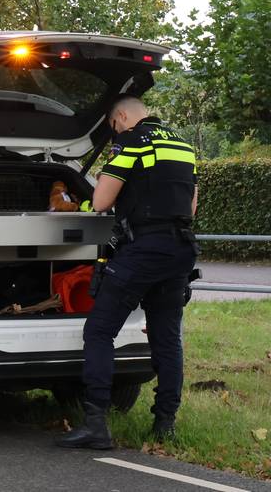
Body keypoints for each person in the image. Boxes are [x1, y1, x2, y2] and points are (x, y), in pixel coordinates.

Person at [58, 96, 199, 450]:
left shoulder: (131, 141)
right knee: (167, 338)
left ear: (121, 117)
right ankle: (165, 425)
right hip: (180, 249)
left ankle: (95, 424)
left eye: (113, 126)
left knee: (99, 331)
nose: (115, 132)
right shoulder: (183, 145)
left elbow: (101, 201)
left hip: (144, 250)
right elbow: (191, 206)